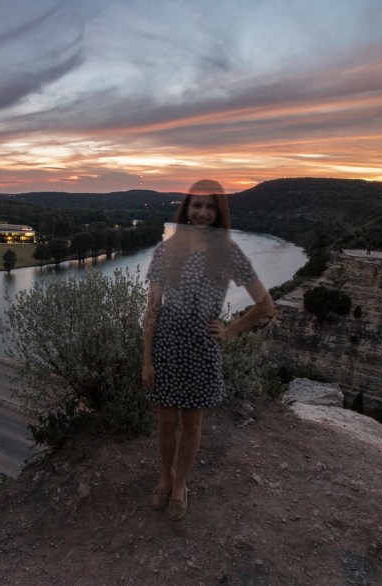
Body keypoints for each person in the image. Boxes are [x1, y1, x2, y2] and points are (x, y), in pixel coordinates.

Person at [141, 179, 274, 522]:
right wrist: (147, 359)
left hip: (202, 349)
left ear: (218, 212)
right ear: (187, 209)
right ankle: (165, 478)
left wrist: (229, 332)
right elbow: (152, 307)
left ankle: (181, 484)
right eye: (196, 205)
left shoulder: (228, 253)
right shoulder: (167, 250)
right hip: (167, 345)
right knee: (166, 422)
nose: (202, 212)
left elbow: (265, 304)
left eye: (210, 206)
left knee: (192, 422)